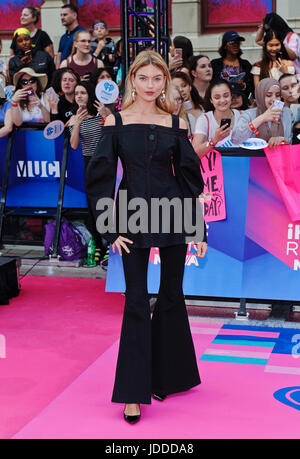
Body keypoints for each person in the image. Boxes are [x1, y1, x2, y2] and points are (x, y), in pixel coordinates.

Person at [85, 49, 207, 423]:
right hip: (130, 217)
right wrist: (109, 227)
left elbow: (189, 179)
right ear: (132, 81)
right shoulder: (115, 122)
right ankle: (132, 393)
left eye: (158, 79)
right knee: (136, 299)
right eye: (144, 78)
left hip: (172, 215)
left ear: (165, 82)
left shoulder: (177, 123)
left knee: (172, 294)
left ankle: (168, 376)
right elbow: (101, 177)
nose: (151, 86)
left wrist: (197, 227)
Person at [68, 81, 108, 263]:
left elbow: (113, 134)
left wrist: (107, 115)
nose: (79, 96)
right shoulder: (74, 118)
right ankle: (98, 243)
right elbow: (74, 145)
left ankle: (111, 243)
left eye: (83, 92)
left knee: (108, 203)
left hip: (107, 163)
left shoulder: (101, 114)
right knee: (92, 206)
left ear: (90, 94)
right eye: (76, 93)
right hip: (88, 163)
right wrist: (76, 123)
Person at [231, 77, 293, 148]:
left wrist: (283, 140)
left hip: (280, 157)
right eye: (268, 95)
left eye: (278, 95)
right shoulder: (248, 114)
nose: (274, 99)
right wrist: (263, 118)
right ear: (260, 96)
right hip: (255, 157)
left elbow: (289, 141)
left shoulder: (286, 113)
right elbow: (236, 139)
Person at [192, 79, 242, 158]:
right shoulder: (204, 119)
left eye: (226, 96)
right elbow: (194, 153)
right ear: (211, 100)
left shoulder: (242, 116)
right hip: (215, 168)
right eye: (217, 97)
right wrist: (214, 139)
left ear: (231, 96)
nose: (222, 100)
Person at [211, 30, 254, 98]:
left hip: (241, 100)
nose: (236, 45)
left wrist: (244, 85)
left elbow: (252, 85)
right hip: (222, 100)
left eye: (238, 43)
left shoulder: (246, 64)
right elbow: (211, 84)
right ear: (225, 45)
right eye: (232, 43)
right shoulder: (215, 64)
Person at [171, 71, 203, 135]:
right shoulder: (172, 114)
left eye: (184, 85)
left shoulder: (204, 107)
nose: (180, 90)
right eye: (176, 87)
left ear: (190, 86)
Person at [56, 3, 84, 69]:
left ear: (74, 15)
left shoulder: (82, 34)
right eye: (61, 15)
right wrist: (58, 70)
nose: (62, 17)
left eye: (65, 15)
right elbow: (59, 55)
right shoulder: (63, 37)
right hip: (63, 73)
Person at [279, 73, 300, 144]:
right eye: (285, 88)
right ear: (280, 93)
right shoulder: (276, 112)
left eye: (294, 86)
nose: (291, 91)